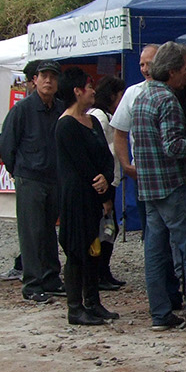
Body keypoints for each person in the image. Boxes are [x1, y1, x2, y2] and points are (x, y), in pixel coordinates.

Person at [129, 41, 186, 330]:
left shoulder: (142, 96)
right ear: (173, 71)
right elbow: (173, 146)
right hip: (172, 185)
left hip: (148, 186)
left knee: (155, 251)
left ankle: (160, 314)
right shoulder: (167, 99)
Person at [0, 61, 66, 303]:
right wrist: (17, 171)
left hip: (54, 178)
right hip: (30, 178)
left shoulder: (60, 109)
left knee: (49, 230)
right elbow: (6, 145)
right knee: (31, 232)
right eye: (43, 76)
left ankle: (51, 277)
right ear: (34, 80)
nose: (48, 81)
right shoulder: (22, 110)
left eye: (52, 77)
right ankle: (32, 283)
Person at [55, 67, 119, 326]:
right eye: (89, 86)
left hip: (96, 194)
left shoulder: (92, 121)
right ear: (77, 91)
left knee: (96, 249)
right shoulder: (66, 125)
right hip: (77, 196)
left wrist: (105, 176)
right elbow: (81, 164)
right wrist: (98, 181)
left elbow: (104, 155)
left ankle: (93, 301)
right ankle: (75, 307)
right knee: (77, 251)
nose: (93, 91)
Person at [89, 75, 127, 292]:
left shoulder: (107, 117)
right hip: (104, 182)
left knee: (110, 229)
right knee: (105, 228)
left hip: (111, 179)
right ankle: (99, 272)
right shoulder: (100, 119)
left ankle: (105, 271)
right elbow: (103, 153)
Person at [109, 43, 160, 181]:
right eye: (141, 65)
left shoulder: (174, 90)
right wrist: (126, 166)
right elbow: (119, 132)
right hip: (141, 173)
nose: (145, 69)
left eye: (149, 64)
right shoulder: (132, 92)